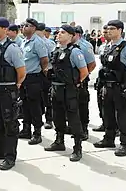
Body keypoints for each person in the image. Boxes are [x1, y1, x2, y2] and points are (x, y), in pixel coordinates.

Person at [0, 17, 26, 170]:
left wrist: (16, 86)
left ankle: (9, 156)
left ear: (5, 30)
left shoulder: (12, 48)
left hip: (7, 91)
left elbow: (21, 72)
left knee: (10, 125)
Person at [94, 20, 126, 156]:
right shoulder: (106, 47)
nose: (109, 31)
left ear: (120, 30)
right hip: (106, 86)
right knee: (107, 114)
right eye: (108, 29)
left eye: (112, 29)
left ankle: (125, 144)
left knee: (122, 116)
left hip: (120, 88)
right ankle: (109, 139)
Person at [44, 25, 88, 162]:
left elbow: (84, 72)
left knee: (74, 119)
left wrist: (75, 83)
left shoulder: (75, 52)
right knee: (57, 116)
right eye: (58, 33)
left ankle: (77, 147)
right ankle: (59, 141)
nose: (59, 35)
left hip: (69, 90)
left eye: (63, 33)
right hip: (56, 89)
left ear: (71, 36)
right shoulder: (56, 50)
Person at [18, 18, 48, 145]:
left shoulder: (38, 42)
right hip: (24, 77)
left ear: (34, 28)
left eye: (28, 26)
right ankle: (26, 129)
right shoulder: (23, 41)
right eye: (24, 25)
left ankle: (37, 132)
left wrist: (41, 72)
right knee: (24, 104)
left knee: (34, 105)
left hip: (34, 77)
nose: (24, 27)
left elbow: (44, 60)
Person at [73, 26, 96, 140]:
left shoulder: (84, 46)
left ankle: (84, 129)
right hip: (71, 80)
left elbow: (92, 64)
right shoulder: (68, 46)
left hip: (81, 80)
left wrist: (82, 77)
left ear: (77, 34)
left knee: (82, 105)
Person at [93, 25, 111, 132]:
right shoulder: (102, 47)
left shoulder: (121, 47)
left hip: (112, 79)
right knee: (101, 103)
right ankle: (104, 123)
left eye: (107, 32)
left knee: (111, 106)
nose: (105, 34)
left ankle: (114, 127)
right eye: (103, 32)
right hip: (102, 77)